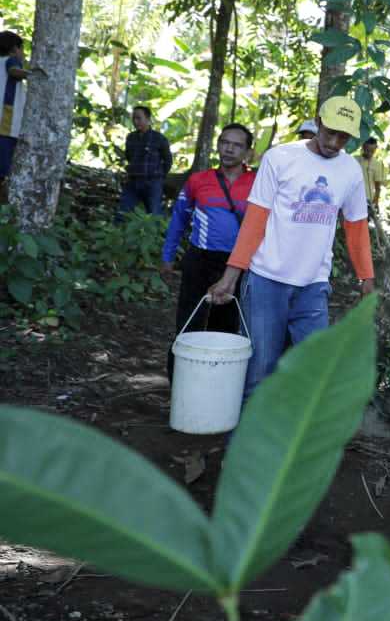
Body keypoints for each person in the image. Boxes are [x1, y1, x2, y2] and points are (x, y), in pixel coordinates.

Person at [207, 96, 375, 402]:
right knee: (259, 369)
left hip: (313, 284)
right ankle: (243, 446)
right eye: (331, 132)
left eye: (344, 137)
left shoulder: (351, 171)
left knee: (314, 370)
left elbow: (357, 226)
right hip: (266, 280)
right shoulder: (280, 158)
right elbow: (255, 221)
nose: (335, 142)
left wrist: (367, 278)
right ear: (318, 122)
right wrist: (231, 276)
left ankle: (292, 445)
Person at [161, 123, 255, 375]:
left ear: (248, 152)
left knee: (225, 328)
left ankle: (216, 383)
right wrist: (168, 256)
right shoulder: (198, 181)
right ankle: (179, 383)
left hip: (238, 264)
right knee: (189, 323)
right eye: (225, 142)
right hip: (199, 260)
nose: (229, 149)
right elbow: (179, 220)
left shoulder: (257, 183)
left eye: (237, 145)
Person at [118, 105, 173, 216]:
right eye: (134, 118)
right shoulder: (131, 137)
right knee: (122, 212)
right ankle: (117, 232)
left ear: (148, 119)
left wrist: (158, 176)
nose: (135, 121)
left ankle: (158, 233)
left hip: (152, 183)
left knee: (153, 215)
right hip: (133, 182)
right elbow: (129, 156)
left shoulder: (159, 138)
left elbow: (168, 161)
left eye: (139, 118)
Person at [0, 31, 26, 196]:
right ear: (14, 49)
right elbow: (14, 71)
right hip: (6, 123)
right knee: (3, 171)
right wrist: (34, 74)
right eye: (22, 49)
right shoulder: (11, 60)